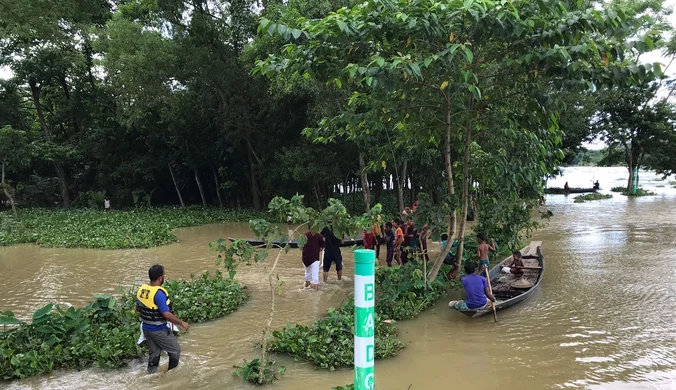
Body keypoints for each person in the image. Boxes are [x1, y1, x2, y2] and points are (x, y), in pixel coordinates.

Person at [136, 264, 189, 374]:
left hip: (146, 328)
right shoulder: (159, 294)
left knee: (154, 354)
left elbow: (137, 308)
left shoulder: (142, 290)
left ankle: (151, 375)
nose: (164, 277)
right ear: (160, 278)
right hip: (158, 329)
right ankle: (171, 375)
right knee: (175, 350)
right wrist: (181, 323)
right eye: (164, 275)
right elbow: (166, 314)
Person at [302, 225, 324, 290]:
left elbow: (301, 246)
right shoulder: (319, 236)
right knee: (315, 277)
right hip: (315, 259)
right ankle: (316, 293)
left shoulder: (304, 235)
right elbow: (322, 247)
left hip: (305, 259)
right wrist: (316, 250)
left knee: (307, 274)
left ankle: (307, 287)